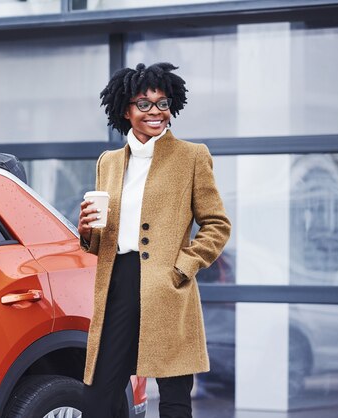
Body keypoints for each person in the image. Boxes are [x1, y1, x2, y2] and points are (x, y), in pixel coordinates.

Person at [78, 62, 231, 417]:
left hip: (167, 285)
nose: (155, 112)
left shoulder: (192, 156)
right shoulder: (109, 162)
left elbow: (216, 224)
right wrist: (87, 232)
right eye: (144, 104)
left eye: (162, 103)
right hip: (118, 284)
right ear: (125, 110)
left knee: (175, 398)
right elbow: (103, 238)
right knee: (100, 394)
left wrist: (182, 268)